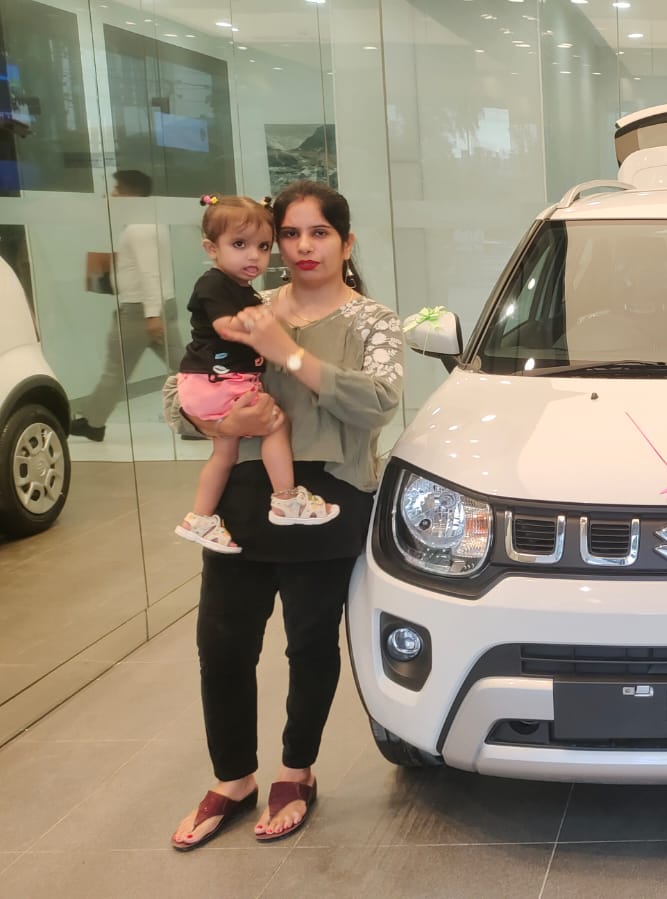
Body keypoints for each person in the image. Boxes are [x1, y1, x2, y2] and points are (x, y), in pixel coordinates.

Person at [167, 181, 403, 850]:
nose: (302, 246)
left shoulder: (372, 320)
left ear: (345, 243)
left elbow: (377, 402)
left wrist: (288, 352)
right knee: (222, 644)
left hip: (329, 498)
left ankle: (296, 772)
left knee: (309, 643)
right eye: (290, 234)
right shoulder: (244, 303)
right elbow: (182, 389)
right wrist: (217, 422)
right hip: (244, 494)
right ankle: (233, 777)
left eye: (318, 232)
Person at [172, 195, 340, 553]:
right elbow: (226, 327)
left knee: (224, 455)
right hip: (217, 380)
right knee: (276, 422)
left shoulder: (243, 290)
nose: (254, 256)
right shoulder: (214, 284)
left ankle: (199, 518)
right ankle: (286, 498)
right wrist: (266, 329)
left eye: (263, 247)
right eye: (239, 245)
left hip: (206, 382)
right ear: (211, 248)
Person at [71, 169, 181, 441]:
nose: (113, 195)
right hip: (157, 307)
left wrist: (151, 315)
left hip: (139, 313)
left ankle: (93, 423)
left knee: (115, 372)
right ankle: (206, 414)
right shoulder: (152, 223)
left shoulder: (138, 229)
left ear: (132, 194)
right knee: (185, 367)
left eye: (118, 190)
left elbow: (149, 273)